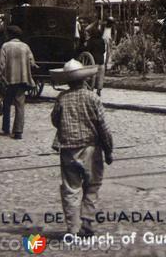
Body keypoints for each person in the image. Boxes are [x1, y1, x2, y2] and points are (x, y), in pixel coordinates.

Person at [49, 58, 113, 237]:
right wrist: (108, 150)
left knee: (71, 188)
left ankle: (73, 228)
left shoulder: (61, 98)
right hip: (91, 149)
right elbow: (103, 126)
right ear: (84, 79)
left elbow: (55, 120)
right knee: (92, 185)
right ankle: (87, 221)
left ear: (67, 81)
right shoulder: (92, 98)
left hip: (68, 149)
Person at [0, 25, 37, 139]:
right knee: (20, 105)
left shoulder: (6, 46)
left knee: (7, 103)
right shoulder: (25, 47)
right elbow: (32, 62)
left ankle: (6, 128)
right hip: (22, 79)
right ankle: (18, 131)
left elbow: (1, 64)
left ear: (9, 35)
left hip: (9, 80)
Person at [86, 25, 106, 97]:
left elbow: (88, 50)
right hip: (101, 60)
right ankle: (99, 90)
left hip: (93, 61)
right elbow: (103, 50)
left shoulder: (90, 41)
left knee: (91, 76)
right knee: (100, 76)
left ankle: (90, 89)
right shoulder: (102, 40)